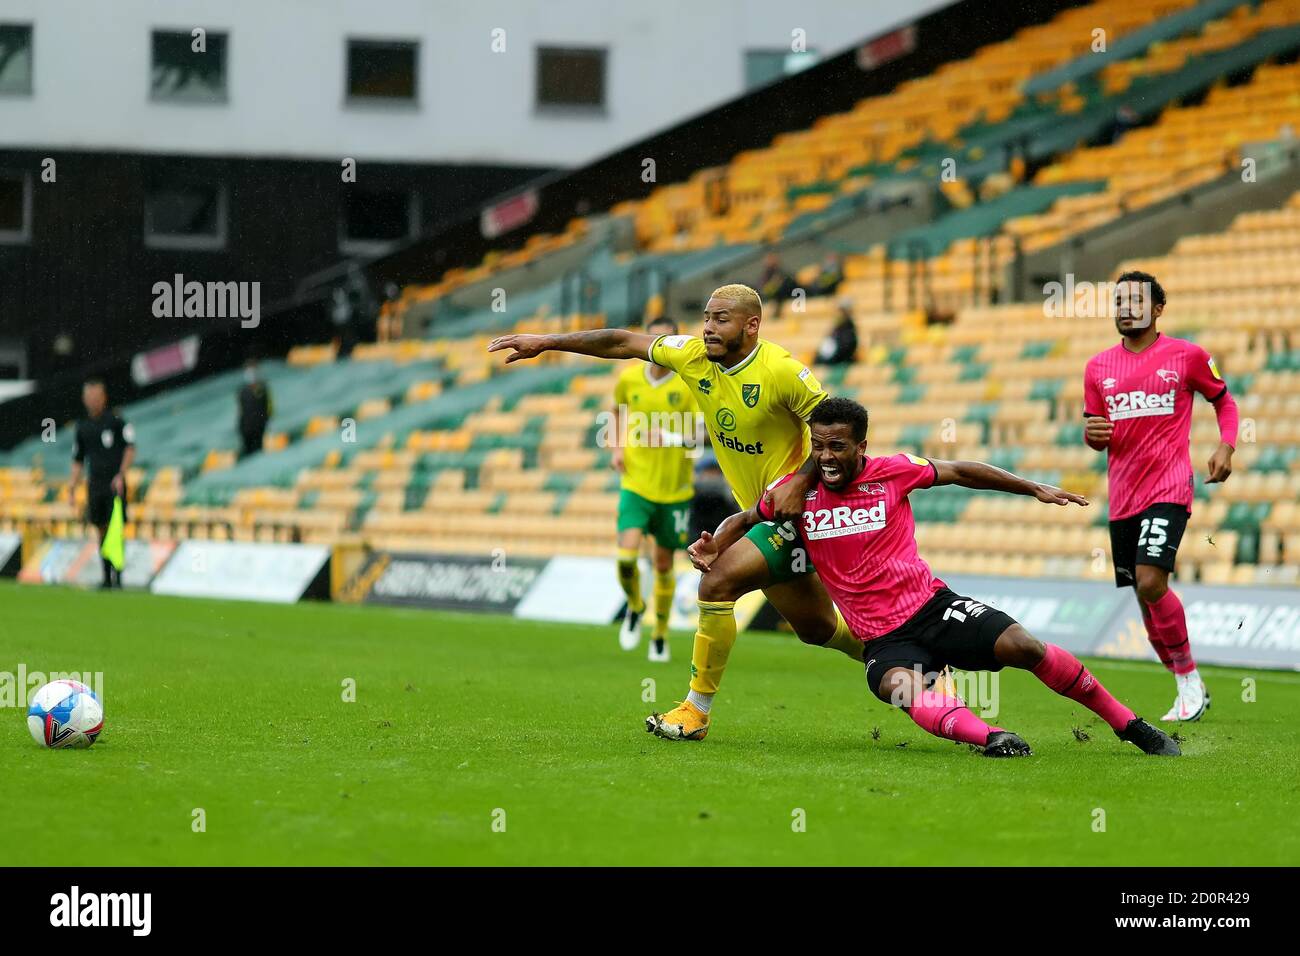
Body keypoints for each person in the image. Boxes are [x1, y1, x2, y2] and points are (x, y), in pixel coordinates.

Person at [689, 397, 1181, 757]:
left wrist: (1031, 488)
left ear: (862, 445)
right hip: (881, 642)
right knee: (904, 688)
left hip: (934, 608)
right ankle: (990, 737)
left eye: (837, 446)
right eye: (818, 447)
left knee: (1025, 647)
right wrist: (717, 544)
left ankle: (1130, 725)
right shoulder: (796, 494)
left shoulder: (894, 471)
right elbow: (748, 517)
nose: (827, 457)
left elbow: (962, 470)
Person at [488, 284, 860, 742]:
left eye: (721, 318)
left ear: (752, 325)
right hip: (757, 513)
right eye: (705, 316)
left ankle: (695, 711)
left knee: (718, 579)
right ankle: (899, 658)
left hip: (797, 513)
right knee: (818, 628)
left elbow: (833, 429)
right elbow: (622, 342)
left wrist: (800, 483)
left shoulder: (782, 371)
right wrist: (547, 341)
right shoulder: (693, 357)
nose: (708, 326)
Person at [1084, 271, 1238, 722]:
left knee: (1152, 582)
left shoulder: (1187, 356)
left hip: (1169, 487)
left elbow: (1224, 401)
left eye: (1135, 300)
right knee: (1143, 597)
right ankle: (1185, 679)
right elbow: (1097, 434)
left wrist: (1225, 445)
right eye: (1119, 301)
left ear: (1156, 309)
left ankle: (1188, 680)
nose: (1125, 308)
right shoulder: (1097, 368)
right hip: (1123, 496)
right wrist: (1092, 434)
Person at [610, 317, 701, 662]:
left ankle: (659, 634)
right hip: (636, 483)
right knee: (626, 556)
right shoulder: (629, 378)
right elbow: (617, 411)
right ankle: (635, 606)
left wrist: (671, 438)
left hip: (675, 490)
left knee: (663, 563)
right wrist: (617, 449)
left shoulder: (688, 384)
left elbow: (700, 436)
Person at [68, 378, 135, 589]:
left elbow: (130, 448)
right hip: (95, 484)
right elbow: (78, 458)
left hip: (115, 484)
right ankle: (106, 577)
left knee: (115, 528)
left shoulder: (116, 421)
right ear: (84, 399)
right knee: (101, 529)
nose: (92, 401)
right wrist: (72, 484)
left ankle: (119, 577)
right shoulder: (82, 427)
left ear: (103, 398)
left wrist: (121, 474)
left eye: (96, 397)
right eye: (89, 397)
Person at [237, 359, 273, 459]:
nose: (251, 375)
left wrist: (268, 423)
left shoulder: (263, 389)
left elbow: (269, 409)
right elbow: (240, 412)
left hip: (259, 428)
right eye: (248, 372)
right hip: (246, 430)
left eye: (253, 371)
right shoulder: (242, 391)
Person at [817, 298, 859, 366]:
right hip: (833, 358)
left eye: (841, 311)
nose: (838, 314)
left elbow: (848, 347)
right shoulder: (837, 327)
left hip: (840, 359)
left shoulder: (848, 328)